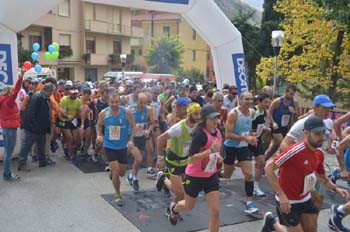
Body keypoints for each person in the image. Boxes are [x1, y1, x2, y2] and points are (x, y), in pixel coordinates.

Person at [264, 116, 349, 232]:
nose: (322, 137)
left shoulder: (319, 153)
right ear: (306, 133)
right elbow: (268, 168)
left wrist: (336, 188)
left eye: (324, 133)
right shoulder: (294, 151)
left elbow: (322, 177)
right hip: (288, 200)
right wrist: (282, 195)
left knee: (312, 229)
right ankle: (272, 221)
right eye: (318, 133)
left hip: (305, 198)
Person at [168, 104, 223, 232]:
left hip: (211, 175)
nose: (215, 121)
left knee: (215, 212)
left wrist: (218, 157)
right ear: (204, 120)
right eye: (212, 119)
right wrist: (210, 151)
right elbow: (191, 159)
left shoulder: (219, 131)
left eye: (217, 117)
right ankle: (174, 208)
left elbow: (217, 150)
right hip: (194, 176)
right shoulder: (200, 135)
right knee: (188, 206)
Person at [279, 95, 336, 212]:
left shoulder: (329, 122)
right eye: (325, 108)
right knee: (300, 201)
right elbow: (284, 145)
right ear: (315, 107)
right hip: (303, 168)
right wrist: (300, 162)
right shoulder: (303, 123)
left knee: (318, 200)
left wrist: (329, 148)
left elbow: (326, 141)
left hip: (319, 165)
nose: (328, 111)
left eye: (330, 108)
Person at [156, 103, 201, 216]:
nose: (198, 116)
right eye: (195, 114)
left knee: (183, 192)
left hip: (186, 161)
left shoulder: (198, 126)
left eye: (200, 114)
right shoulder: (179, 128)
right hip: (174, 161)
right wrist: (160, 158)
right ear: (188, 113)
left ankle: (170, 209)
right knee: (180, 192)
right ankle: (163, 178)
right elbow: (160, 139)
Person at [219, 91, 259, 214]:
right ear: (240, 100)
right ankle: (214, 175)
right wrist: (246, 138)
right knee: (227, 175)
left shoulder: (252, 112)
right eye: (247, 99)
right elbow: (228, 135)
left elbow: (248, 128)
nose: (249, 101)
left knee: (248, 174)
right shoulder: (233, 114)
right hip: (230, 147)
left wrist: (253, 138)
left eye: (251, 99)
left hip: (243, 147)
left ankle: (249, 203)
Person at [95, 93, 137, 205]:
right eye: (112, 102)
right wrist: (99, 135)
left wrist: (131, 140)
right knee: (116, 171)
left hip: (123, 146)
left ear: (120, 102)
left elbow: (134, 126)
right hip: (109, 146)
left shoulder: (126, 112)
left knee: (122, 173)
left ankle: (114, 174)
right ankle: (118, 193)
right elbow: (98, 125)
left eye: (116, 102)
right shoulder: (104, 113)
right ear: (108, 102)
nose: (114, 104)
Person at [18, 83, 55, 171]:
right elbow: (31, 113)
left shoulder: (44, 97)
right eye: (52, 92)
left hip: (40, 127)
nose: (52, 93)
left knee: (41, 146)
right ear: (48, 91)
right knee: (27, 146)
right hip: (33, 128)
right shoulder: (38, 97)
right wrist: (34, 126)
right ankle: (22, 164)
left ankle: (42, 161)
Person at [265, 84, 298, 161]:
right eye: (290, 94)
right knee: (284, 145)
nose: (291, 96)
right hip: (275, 127)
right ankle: (280, 166)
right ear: (286, 92)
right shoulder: (278, 101)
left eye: (293, 94)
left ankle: (263, 162)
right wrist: (273, 123)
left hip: (285, 127)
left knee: (274, 147)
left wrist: (294, 112)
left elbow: (297, 117)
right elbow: (269, 111)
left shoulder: (294, 102)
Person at [0, 71, 23, 180]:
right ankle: (7, 174)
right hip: (10, 129)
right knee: (9, 153)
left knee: (7, 153)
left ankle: (7, 174)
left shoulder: (2, 101)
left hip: (5, 128)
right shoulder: (9, 101)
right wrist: (21, 77)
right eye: (13, 91)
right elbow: (17, 90)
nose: (14, 92)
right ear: (10, 92)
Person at [127, 93, 155, 180]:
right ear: (136, 101)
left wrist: (148, 130)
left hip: (142, 136)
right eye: (140, 103)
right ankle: (133, 177)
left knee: (139, 160)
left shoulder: (149, 109)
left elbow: (152, 123)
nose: (143, 105)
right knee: (138, 158)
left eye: (145, 103)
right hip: (131, 136)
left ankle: (132, 175)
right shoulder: (129, 109)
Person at [250, 93, 271, 196]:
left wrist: (265, 128)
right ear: (259, 102)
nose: (268, 104)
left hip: (257, 140)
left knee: (262, 162)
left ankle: (256, 186)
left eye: (269, 102)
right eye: (265, 102)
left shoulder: (264, 112)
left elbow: (262, 124)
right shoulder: (254, 111)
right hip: (247, 140)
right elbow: (246, 124)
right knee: (237, 165)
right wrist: (250, 133)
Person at [58, 87, 82, 164]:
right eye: (73, 94)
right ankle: (70, 155)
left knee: (76, 138)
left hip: (73, 120)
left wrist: (79, 115)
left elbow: (79, 111)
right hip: (64, 120)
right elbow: (63, 112)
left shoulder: (78, 101)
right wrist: (67, 115)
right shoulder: (64, 99)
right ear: (70, 93)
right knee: (70, 138)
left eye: (76, 94)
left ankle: (69, 148)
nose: (74, 95)